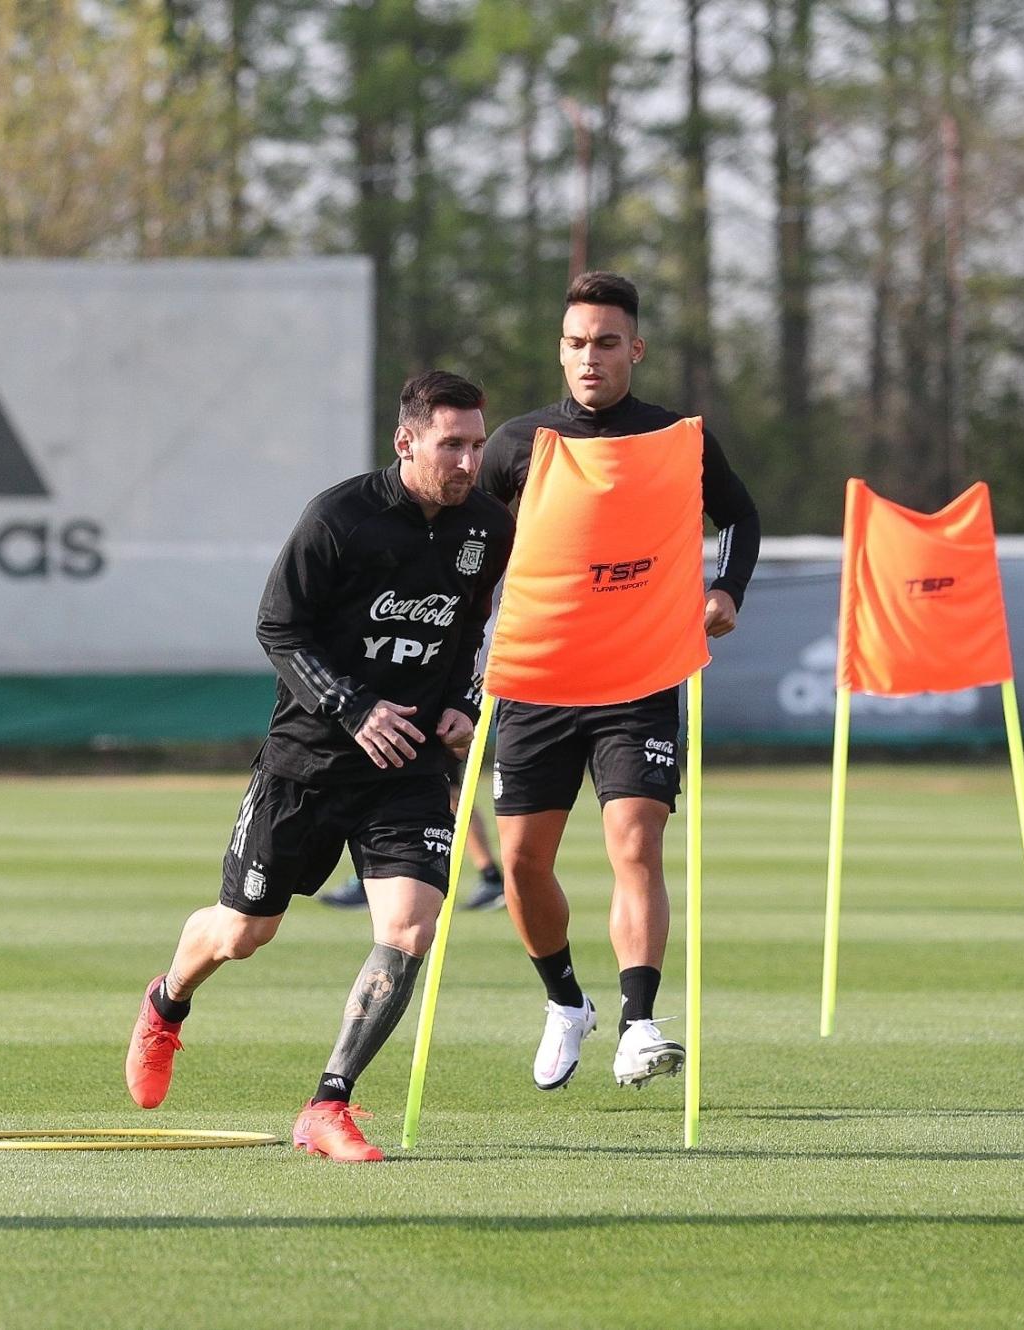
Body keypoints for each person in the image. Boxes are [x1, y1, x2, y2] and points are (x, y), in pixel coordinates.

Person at [124, 371, 513, 1162]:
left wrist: (465, 704)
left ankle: (328, 1103)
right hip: (306, 762)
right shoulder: (340, 517)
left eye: (476, 444)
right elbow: (278, 626)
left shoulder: (486, 529)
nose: (469, 460)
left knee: (409, 928)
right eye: (452, 444)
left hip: (405, 769)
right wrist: (355, 708)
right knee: (242, 932)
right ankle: (166, 1004)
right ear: (406, 442)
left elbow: (479, 632)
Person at [478, 271, 760, 1090]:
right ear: (559, 351)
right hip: (537, 678)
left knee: (635, 843)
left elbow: (739, 515)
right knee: (525, 863)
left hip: (638, 676)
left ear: (633, 348)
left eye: (606, 342)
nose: (590, 357)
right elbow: (476, 545)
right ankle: (567, 1004)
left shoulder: (677, 437)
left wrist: (725, 589)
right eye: (576, 344)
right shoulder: (516, 444)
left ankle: (639, 1023)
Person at [320, 769, 504, 910]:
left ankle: (491, 876)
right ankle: (371, 875)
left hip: (430, 726)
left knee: (448, 794)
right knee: (383, 788)